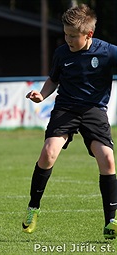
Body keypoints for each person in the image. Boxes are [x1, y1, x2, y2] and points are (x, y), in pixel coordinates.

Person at [22, 4, 117, 239]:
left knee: (107, 159)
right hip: (65, 108)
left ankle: (111, 221)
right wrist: (41, 95)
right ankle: (33, 208)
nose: (68, 40)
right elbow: (53, 80)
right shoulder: (62, 53)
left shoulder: (107, 52)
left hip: (94, 110)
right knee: (48, 152)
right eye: (65, 34)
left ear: (89, 34)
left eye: (73, 36)